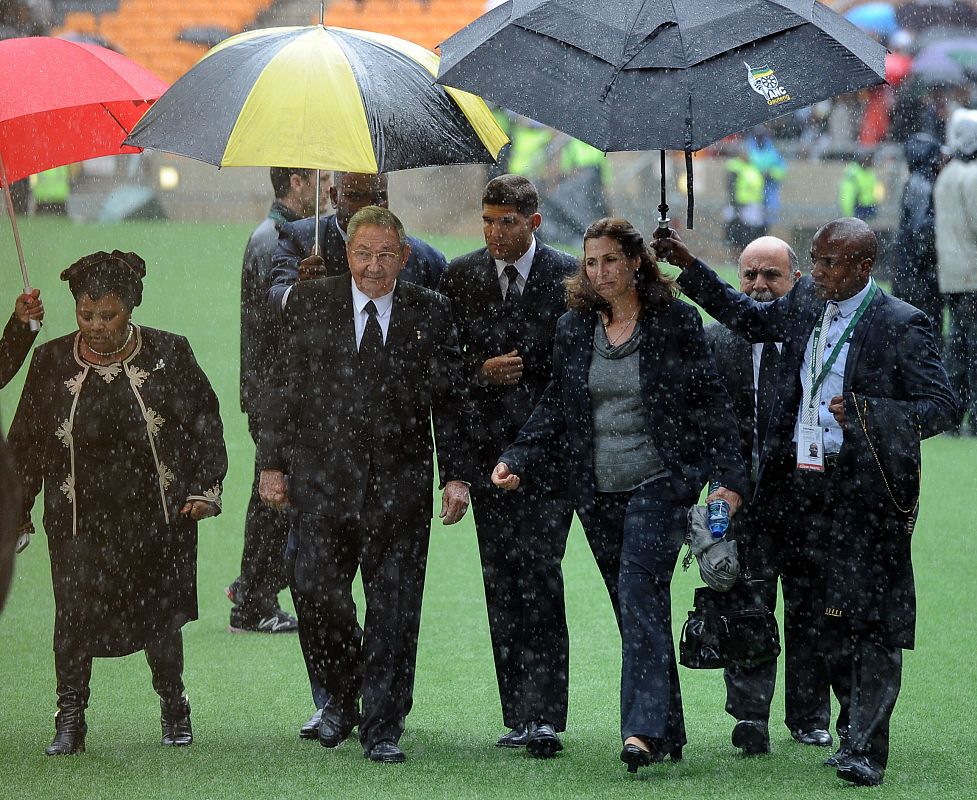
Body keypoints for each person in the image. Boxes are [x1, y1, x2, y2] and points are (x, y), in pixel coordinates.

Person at [653, 219, 958, 787]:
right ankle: (826, 730)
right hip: (801, 487)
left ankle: (864, 748)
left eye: (828, 264)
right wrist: (689, 266)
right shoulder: (806, 307)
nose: (815, 273)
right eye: (814, 260)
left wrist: (868, 412)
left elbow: (943, 406)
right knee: (826, 618)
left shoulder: (900, 323)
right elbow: (744, 317)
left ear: (863, 268)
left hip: (865, 492)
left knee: (869, 620)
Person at [492, 218, 747, 773]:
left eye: (610, 260)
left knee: (637, 595)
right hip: (597, 492)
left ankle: (641, 732)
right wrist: (516, 456)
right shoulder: (573, 327)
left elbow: (711, 403)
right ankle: (668, 728)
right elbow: (557, 405)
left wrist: (727, 477)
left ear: (635, 261)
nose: (599, 272)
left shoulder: (675, 321)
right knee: (636, 609)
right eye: (590, 262)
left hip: (659, 484)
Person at [257, 206, 472, 764]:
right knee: (314, 593)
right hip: (321, 484)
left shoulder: (431, 311)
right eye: (362, 254)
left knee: (395, 610)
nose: (373, 267)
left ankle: (383, 725)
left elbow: (448, 403)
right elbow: (280, 387)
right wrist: (272, 464)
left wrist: (455, 476)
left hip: (398, 489)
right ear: (346, 255)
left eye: (384, 255)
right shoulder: (309, 302)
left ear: (404, 257)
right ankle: (343, 696)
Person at [7, 250, 228, 756]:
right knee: (73, 617)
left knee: (159, 619)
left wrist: (204, 487)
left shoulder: (170, 353)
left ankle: (175, 708)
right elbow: (25, 442)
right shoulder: (50, 361)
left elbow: (205, 423)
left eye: (108, 315)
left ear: (130, 307)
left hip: (154, 516)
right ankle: (69, 718)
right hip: (78, 520)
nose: (96, 327)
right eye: (86, 316)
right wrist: (18, 510)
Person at [438, 175, 576, 757]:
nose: (496, 233)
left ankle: (546, 715)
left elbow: (574, 373)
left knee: (540, 576)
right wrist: (479, 372)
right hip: (487, 458)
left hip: (550, 461)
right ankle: (517, 713)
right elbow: (444, 371)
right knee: (502, 585)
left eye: (509, 223)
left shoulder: (570, 277)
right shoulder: (461, 276)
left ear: (535, 222)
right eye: (489, 221)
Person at [705, 237, 835, 756]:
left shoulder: (817, 339)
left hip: (806, 501)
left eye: (771, 276)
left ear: (796, 280)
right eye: (750, 275)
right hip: (741, 502)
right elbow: (705, 424)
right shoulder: (717, 341)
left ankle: (808, 716)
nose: (759, 286)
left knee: (809, 610)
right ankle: (750, 717)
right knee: (744, 608)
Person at [229, 167, 329, 634]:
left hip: (266, 386)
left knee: (273, 494)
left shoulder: (266, 234)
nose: (328, 190)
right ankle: (254, 598)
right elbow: (279, 321)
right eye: (320, 179)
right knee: (275, 495)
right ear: (296, 182)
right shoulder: (279, 240)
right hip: (277, 390)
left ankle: (252, 586)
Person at [268, 171, 446, 314]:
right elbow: (275, 299)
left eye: (379, 197)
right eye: (355, 196)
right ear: (334, 197)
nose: (368, 207)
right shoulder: (303, 238)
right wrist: (300, 290)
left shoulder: (424, 259)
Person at [935, 109, 977, 436]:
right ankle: (974, 421)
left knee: (958, 348)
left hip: (951, 276)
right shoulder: (973, 176)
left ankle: (951, 417)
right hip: (973, 275)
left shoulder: (946, 175)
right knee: (973, 351)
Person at [893, 134, 944, 330]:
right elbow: (922, 231)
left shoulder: (916, 181)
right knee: (923, 330)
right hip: (920, 275)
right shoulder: (921, 184)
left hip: (912, 272)